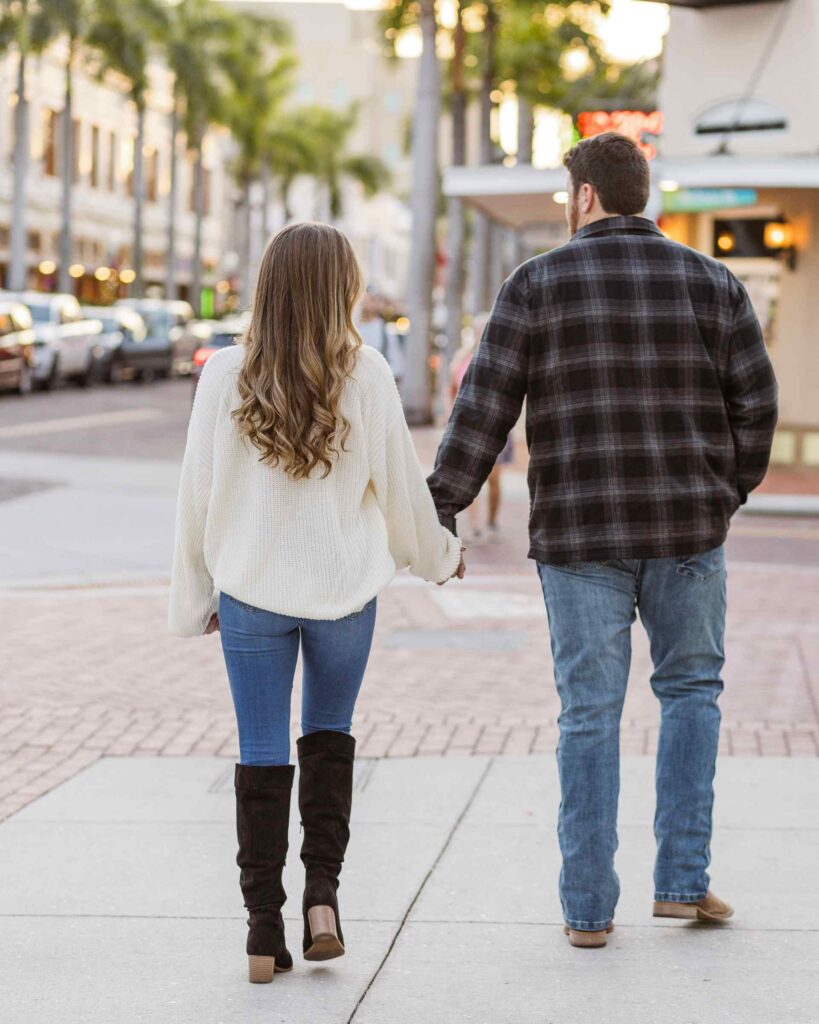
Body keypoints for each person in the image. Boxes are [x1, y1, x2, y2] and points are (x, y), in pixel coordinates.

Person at [428, 132, 777, 949]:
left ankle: (587, 911)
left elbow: (483, 410)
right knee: (690, 694)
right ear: (640, 193)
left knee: (588, 715)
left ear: (583, 196)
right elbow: (756, 407)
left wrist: (440, 507)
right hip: (687, 531)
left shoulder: (535, 284)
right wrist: (722, 497)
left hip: (579, 537)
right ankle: (682, 886)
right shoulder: (711, 282)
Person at [169, 222, 464, 984]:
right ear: (342, 289)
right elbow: (401, 492)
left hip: (251, 597)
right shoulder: (364, 376)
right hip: (342, 597)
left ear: (266, 286)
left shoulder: (223, 373)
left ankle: (263, 929)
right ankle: (322, 903)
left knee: (260, 753)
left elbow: (195, 499)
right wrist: (440, 558)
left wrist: (195, 596)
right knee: (328, 741)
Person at [449, 311, 515, 543]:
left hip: (497, 426)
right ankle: (475, 527)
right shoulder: (461, 358)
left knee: (494, 479)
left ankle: (492, 521)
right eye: (478, 327)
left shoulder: (503, 357)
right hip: (467, 426)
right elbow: (452, 391)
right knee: (471, 477)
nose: (481, 331)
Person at [356, 290, 405, 385]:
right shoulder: (353, 328)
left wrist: (377, 376)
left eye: (370, 299)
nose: (364, 302)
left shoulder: (385, 333)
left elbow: (397, 366)